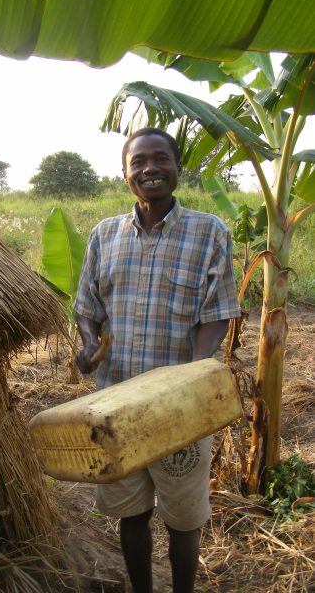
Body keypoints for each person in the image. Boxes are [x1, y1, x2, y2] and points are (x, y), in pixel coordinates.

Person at [74, 127, 240, 593]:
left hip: (179, 410)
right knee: (131, 513)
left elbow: (218, 311)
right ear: (125, 173)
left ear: (177, 167)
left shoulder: (209, 231)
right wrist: (88, 345)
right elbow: (87, 307)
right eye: (139, 161)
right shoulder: (104, 235)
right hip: (114, 408)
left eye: (160, 159)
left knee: (184, 520)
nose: (150, 168)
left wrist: (191, 373)